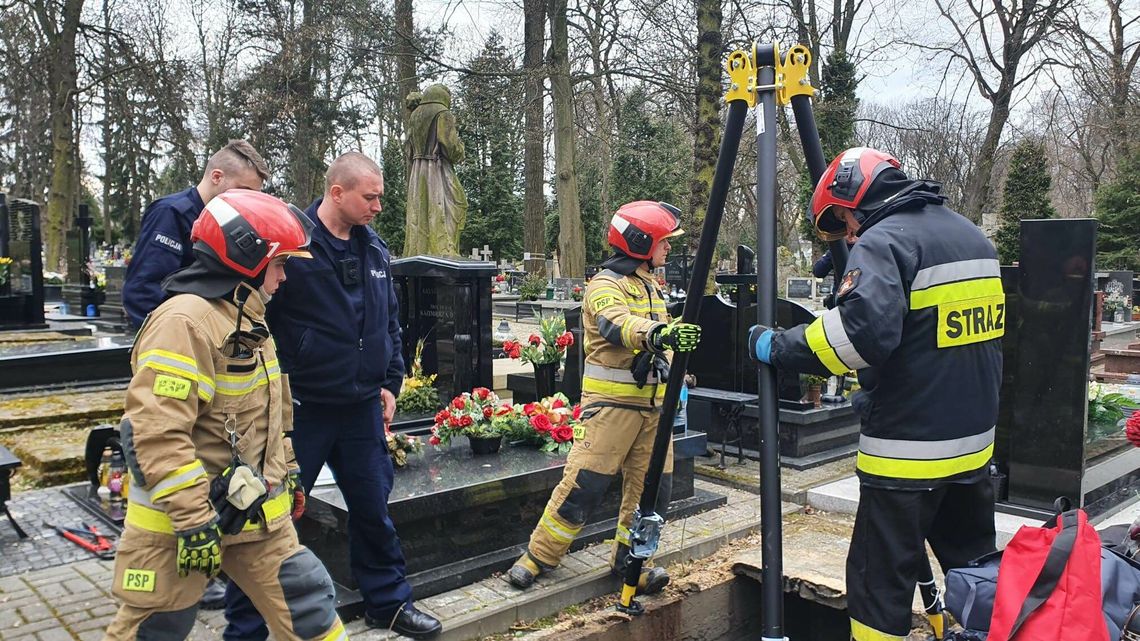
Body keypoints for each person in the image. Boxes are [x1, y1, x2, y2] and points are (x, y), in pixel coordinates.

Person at [747, 147, 1002, 641]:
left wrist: (777, 346)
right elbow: (945, 339)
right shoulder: (971, 236)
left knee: (877, 585)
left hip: (906, 459)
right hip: (972, 449)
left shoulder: (885, 242)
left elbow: (858, 337)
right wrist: (881, 389)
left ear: (852, 200)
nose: (848, 235)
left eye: (842, 222)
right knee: (977, 570)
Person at [104, 189, 346, 640]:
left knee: (308, 606)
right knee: (156, 629)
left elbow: (272, 415)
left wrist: (288, 473)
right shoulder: (184, 324)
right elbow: (156, 432)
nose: (284, 278)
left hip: (252, 515)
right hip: (178, 526)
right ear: (246, 258)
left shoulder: (247, 318)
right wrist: (194, 521)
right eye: (280, 264)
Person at [223, 152, 442, 640]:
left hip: (361, 407)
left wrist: (390, 381)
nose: (378, 206)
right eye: (370, 196)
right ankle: (248, 626)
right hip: (303, 408)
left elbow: (389, 321)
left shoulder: (376, 250)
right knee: (270, 517)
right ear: (336, 193)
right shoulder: (292, 245)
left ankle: (388, 602)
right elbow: (262, 320)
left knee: (373, 507)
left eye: (381, 196)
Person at [506, 200, 702, 595]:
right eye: (664, 240)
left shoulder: (649, 285)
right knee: (583, 487)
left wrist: (673, 359)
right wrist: (659, 335)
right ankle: (538, 557)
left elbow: (654, 338)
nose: (669, 247)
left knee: (651, 494)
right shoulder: (605, 285)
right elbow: (618, 325)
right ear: (640, 241)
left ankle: (632, 561)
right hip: (611, 411)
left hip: (654, 410)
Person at [123, 139, 269, 329]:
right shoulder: (171, 214)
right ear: (217, 177)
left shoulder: (228, 222)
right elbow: (144, 290)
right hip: (176, 335)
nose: (248, 201)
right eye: (244, 191)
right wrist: (174, 333)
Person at [404, 84, 467, 256]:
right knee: (449, 207)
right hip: (437, 170)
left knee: (421, 212)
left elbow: (408, 150)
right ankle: (443, 250)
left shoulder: (415, 116)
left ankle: (423, 250)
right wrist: (460, 149)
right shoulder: (443, 113)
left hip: (417, 174)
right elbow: (450, 147)